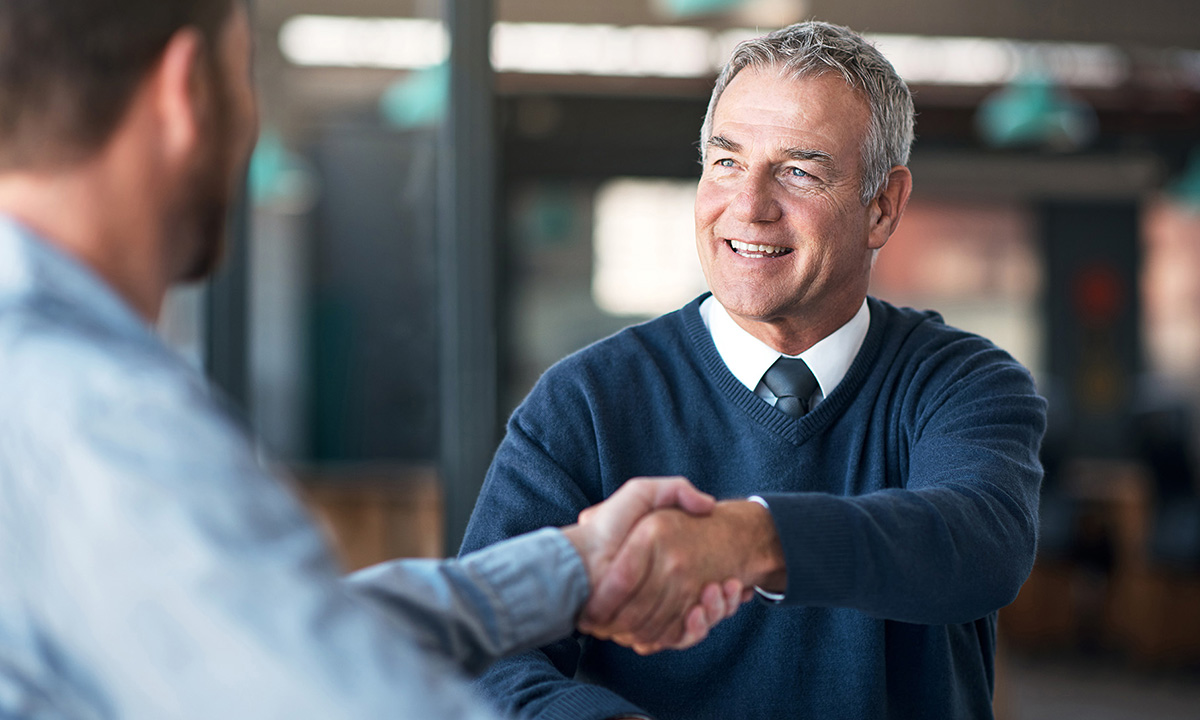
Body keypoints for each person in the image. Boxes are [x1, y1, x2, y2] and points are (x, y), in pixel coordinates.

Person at [0, 1, 743, 717]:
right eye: (244, 77)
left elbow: (281, 629)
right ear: (185, 90)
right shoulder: (99, 416)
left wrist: (570, 569)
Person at [460, 20, 1048, 720]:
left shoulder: (964, 383)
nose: (749, 206)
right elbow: (486, 649)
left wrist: (745, 539)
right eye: (727, 161)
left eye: (799, 171)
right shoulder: (584, 402)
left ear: (883, 206)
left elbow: (979, 542)